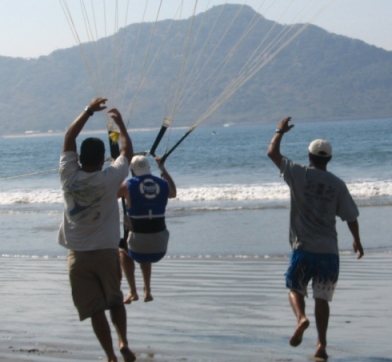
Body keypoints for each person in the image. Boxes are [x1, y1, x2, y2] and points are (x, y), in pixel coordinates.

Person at [267, 116, 364, 360]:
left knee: (294, 286)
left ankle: (301, 318)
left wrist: (280, 131)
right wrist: (357, 240)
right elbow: (350, 216)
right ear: (328, 159)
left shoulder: (298, 174)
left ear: (309, 157)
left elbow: (272, 153)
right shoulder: (337, 184)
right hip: (328, 251)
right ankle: (321, 345)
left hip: (303, 248)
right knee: (322, 297)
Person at [58, 98, 136, 362]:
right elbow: (126, 151)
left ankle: (110, 355)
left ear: (79, 157)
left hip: (77, 257)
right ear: (103, 159)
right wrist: (121, 125)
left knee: (94, 309)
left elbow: (70, 136)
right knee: (115, 300)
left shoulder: (68, 174)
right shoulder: (111, 177)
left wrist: (89, 111)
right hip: (106, 252)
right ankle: (124, 342)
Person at [117, 155, 177, 303]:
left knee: (122, 249)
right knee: (146, 242)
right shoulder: (163, 184)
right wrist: (162, 168)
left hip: (139, 248)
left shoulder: (127, 186)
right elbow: (173, 193)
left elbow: (110, 195)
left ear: (132, 170)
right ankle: (147, 290)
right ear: (148, 168)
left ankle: (132, 291)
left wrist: (118, 170)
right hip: (160, 248)